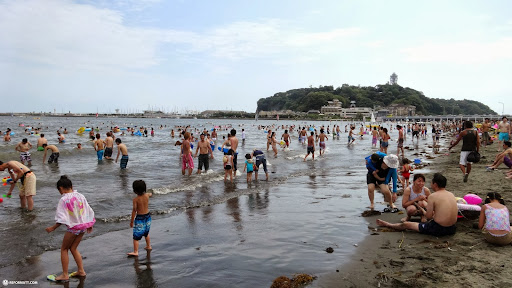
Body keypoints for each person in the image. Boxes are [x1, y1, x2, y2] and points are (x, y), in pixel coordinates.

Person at [45, 175, 95, 281]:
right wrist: (90, 224)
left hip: (73, 228)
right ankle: (81, 271)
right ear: (72, 186)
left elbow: (61, 218)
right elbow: (88, 210)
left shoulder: (63, 199)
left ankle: (65, 274)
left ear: (61, 188)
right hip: (82, 227)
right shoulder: (80, 196)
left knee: (64, 249)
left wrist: (53, 228)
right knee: (73, 248)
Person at [376, 173, 457, 237]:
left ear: (435, 184)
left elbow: (429, 217)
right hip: (452, 228)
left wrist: (422, 210)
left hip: (439, 229)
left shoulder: (433, 196)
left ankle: (387, 224)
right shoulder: (451, 194)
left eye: (431, 182)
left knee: (407, 225)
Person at [128, 180, 152, 256]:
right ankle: (148, 246)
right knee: (146, 233)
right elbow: (150, 194)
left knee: (136, 237)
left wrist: (131, 221)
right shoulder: (147, 195)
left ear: (135, 191)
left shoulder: (135, 200)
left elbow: (134, 210)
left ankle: (136, 251)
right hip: (148, 217)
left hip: (140, 219)